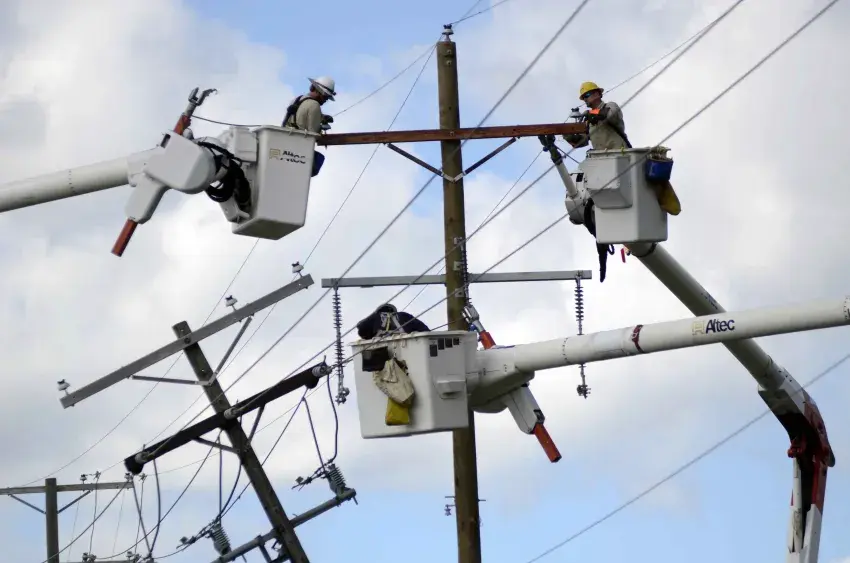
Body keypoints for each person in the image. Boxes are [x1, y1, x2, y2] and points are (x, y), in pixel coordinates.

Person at [282, 76, 337, 176]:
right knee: (318, 160)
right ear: (319, 92)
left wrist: (321, 117)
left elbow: (300, 115)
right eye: (325, 97)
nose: (326, 100)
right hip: (298, 149)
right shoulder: (315, 105)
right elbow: (313, 133)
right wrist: (322, 127)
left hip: (286, 144)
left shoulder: (298, 99)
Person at [564, 81, 630, 151]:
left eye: (586, 95)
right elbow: (581, 142)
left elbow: (611, 115)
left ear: (597, 94)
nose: (585, 99)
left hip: (619, 153)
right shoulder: (589, 118)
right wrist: (568, 136)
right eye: (583, 98)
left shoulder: (610, 105)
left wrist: (591, 113)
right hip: (600, 156)